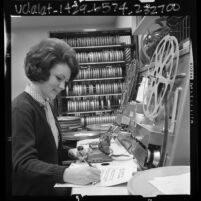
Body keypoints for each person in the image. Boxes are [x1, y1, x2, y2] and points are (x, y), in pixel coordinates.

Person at [12, 38, 101, 196]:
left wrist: (72, 152)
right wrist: (66, 174)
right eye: (59, 78)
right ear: (41, 70)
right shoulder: (21, 108)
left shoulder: (47, 104)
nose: (62, 87)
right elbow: (23, 164)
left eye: (65, 81)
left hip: (50, 189)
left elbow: (49, 150)